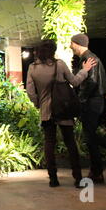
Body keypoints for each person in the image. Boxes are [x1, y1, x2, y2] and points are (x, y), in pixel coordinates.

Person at [26, 39, 97, 188]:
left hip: (47, 112)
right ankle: (78, 178)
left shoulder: (32, 68)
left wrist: (39, 104)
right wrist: (85, 70)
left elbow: (31, 92)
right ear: (53, 51)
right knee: (70, 143)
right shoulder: (60, 64)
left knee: (49, 143)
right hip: (64, 109)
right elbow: (75, 82)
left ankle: (53, 179)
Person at [70, 33, 106, 183]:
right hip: (93, 100)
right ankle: (97, 171)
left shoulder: (90, 58)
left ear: (77, 44)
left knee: (90, 136)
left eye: (71, 44)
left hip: (91, 101)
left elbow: (91, 82)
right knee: (90, 137)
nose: (70, 46)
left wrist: (80, 100)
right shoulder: (87, 58)